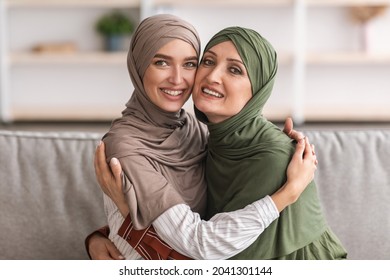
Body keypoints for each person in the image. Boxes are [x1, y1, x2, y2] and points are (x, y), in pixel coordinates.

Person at [86, 14, 318, 260]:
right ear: (138, 65)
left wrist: (277, 145)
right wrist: (288, 193)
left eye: (189, 64)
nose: (177, 79)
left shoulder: (194, 131)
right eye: (161, 63)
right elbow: (200, 244)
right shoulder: (126, 147)